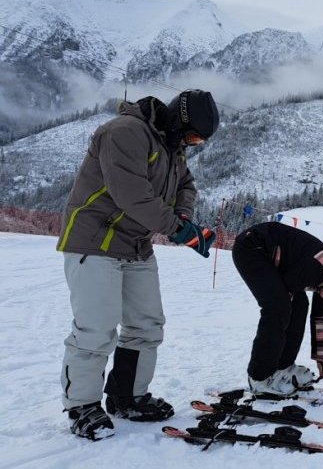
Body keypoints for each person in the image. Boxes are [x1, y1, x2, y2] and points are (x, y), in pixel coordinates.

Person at [58, 90, 219, 440]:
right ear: (180, 120)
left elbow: (186, 184)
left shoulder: (172, 146)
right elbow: (131, 195)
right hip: (95, 240)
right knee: (95, 328)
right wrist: (180, 230)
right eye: (193, 136)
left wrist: (183, 215)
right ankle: (81, 406)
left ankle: (126, 396)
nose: (192, 144)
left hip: (137, 244)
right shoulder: (124, 132)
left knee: (147, 324)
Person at [231, 222, 323, 396]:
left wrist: (321, 361)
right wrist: (283, 313)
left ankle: (283, 368)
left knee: (299, 305)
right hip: (252, 247)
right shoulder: (318, 269)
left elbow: (320, 319)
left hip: (275, 260)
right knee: (278, 307)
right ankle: (260, 378)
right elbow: (284, 291)